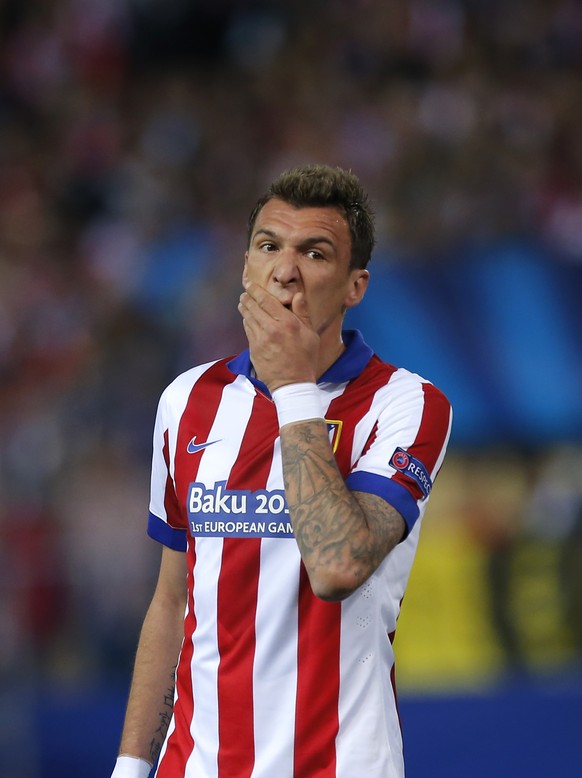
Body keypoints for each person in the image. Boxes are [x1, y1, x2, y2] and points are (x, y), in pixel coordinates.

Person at [110, 164, 452, 778]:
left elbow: (338, 566)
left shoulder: (407, 404)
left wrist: (293, 387)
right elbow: (172, 601)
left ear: (355, 287)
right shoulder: (187, 400)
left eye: (314, 253)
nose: (285, 270)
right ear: (245, 268)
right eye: (269, 246)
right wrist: (132, 764)